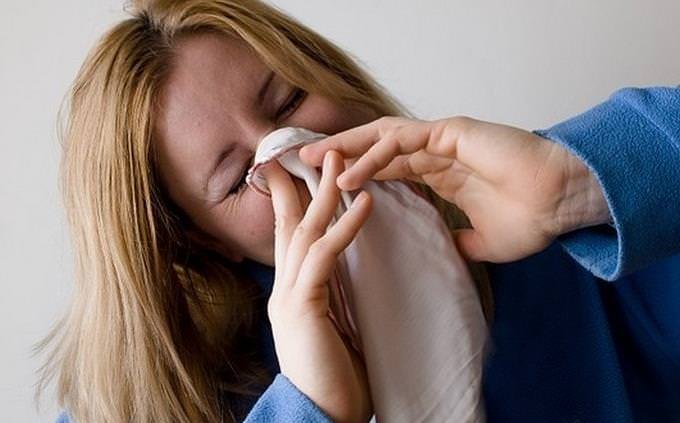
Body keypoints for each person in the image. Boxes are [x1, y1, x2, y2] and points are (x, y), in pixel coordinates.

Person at [41, 0, 679, 422]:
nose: (299, 155)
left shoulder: (572, 230)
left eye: (289, 100)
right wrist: (310, 406)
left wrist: (573, 183)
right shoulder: (141, 401)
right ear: (204, 242)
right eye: (239, 177)